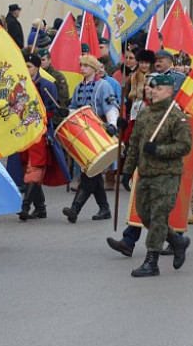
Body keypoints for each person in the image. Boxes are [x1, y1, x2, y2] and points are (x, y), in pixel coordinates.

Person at [122, 73, 193, 277]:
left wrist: (159, 150)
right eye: (152, 87)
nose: (153, 91)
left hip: (167, 175)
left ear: (170, 91)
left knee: (159, 215)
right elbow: (134, 144)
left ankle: (151, 261)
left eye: (159, 88)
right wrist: (128, 170)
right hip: (145, 173)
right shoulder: (144, 114)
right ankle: (178, 242)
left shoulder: (175, 116)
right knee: (145, 215)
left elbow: (184, 145)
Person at [60, 55, 118, 222]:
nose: (82, 68)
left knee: (90, 173)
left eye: (86, 65)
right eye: (81, 65)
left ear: (93, 68)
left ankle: (75, 209)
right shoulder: (78, 87)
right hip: (84, 133)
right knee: (94, 172)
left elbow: (111, 107)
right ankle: (105, 208)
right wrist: (66, 113)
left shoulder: (104, 85)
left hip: (98, 130)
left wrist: (112, 124)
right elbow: (74, 110)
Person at [18, 53, 59, 220]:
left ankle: (25, 206)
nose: (26, 69)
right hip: (24, 132)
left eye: (29, 66)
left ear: (37, 67)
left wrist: (39, 116)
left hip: (41, 133)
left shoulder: (48, 85)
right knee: (25, 167)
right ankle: (40, 208)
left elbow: (53, 110)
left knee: (34, 168)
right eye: (25, 66)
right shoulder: (20, 85)